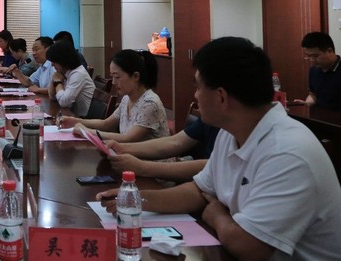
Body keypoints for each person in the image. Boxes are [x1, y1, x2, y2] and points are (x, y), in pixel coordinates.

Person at [98, 37, 341, 260]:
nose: (195, 95)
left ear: (221, 97)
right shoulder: (230, 132)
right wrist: (134, 200)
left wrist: (217, 215)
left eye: (198, 87)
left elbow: (250, 246)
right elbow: (198, 191)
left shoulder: (287, 152)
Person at [61, 49, 168, 142]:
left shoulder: (149, 103)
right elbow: (106, 124)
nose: (113, 82)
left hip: (147, 159)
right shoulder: (126, 99)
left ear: (135, 76)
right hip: (129, 155)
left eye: (117, 77)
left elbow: (127, 139)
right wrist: (75, 121)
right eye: (112, 77)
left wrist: (86, 131)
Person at [104, 116, 219, 182]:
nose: (195, 95)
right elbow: (175, 142)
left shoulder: (226, 129)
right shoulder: (210, 119)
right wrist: (122, 148)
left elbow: (213, 167)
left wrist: (141, 167)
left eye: (199, 88)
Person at [45, 41, 95, 117]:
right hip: (74, 116)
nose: (52, 64)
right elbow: (52, 98)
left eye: (54, 61)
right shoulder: (66, 73)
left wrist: (58, 82)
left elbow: (64, 102)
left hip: (85, 119)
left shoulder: (78, 74)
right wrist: (53, 79)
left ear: (62, 59)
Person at [293, 31, 341, 109]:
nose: (312, 60)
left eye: (315, 56)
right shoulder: (313, 70)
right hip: (319, 116)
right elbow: (313, 95)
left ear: (330, 51)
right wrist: (307, 103)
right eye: (308, 56)